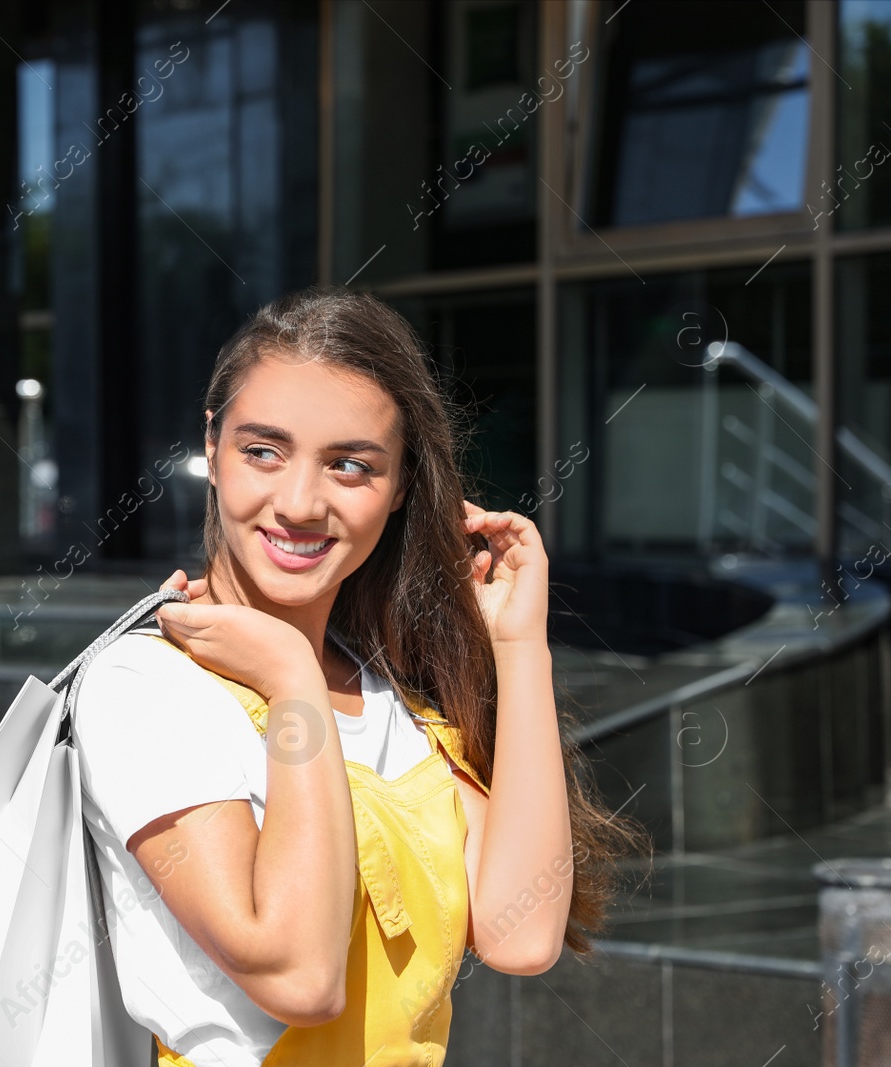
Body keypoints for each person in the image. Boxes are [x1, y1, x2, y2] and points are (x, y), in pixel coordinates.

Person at [72, 286, 641, 1066]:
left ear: (403, 483)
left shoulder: (390, 693)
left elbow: (523, 930)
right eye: (262, 451)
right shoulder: (146, 688)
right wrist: (294, 684)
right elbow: (299, 977)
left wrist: (519, 644)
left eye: (350, 465)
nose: (300, 503)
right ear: (212, 448)